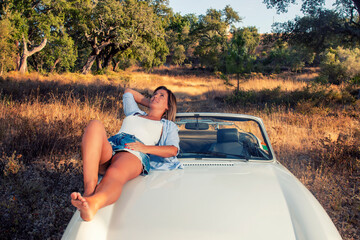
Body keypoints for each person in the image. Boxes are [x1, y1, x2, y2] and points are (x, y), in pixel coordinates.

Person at [70, 86, 181, 221]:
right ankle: (89, 191)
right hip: (113, 145)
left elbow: (172, 150)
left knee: (115, 173)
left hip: (133, 150)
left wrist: (145, 148)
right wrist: (152, 102)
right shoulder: (134, 113)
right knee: (94, 125)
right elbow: (128, 92)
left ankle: (93, 203)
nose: (155, 96)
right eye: (154, 94)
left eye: (161, 96)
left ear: (169, 106)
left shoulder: (168, 125)